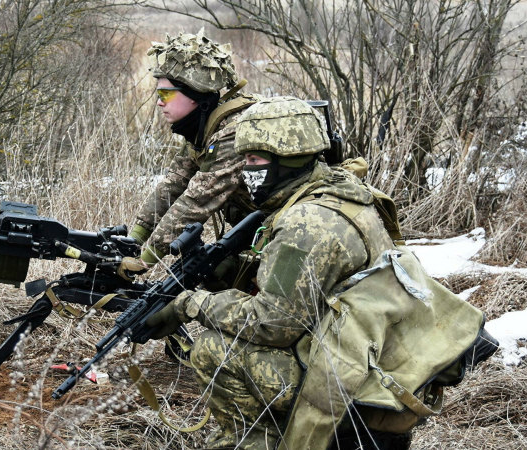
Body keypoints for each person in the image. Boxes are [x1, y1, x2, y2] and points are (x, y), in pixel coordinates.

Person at [146, 97, 492, 450]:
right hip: (380, 362)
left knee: (213, 349)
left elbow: (274, 324)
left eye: (253, 160)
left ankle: (251, 442)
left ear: (287, 158)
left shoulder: (306, 223)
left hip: (351, 384)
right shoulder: (339, 190)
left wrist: (190, 304)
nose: (244, 171)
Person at [118, 30, 259, 280]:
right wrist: (131, 241)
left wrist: (144, 260)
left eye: (166, 94)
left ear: (195, 95)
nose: (159, 102)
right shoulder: (205, 128)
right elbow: (173, 184)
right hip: (258, 227)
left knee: (218, 279)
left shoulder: (234, 131)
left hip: (291, 229)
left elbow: (197, 200)